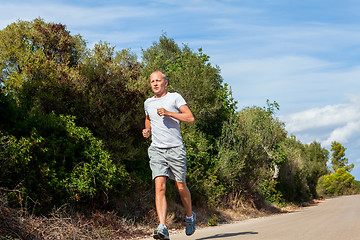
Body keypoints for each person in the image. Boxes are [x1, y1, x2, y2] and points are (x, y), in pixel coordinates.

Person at [142, 70, 196, 240]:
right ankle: (162, 227)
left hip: (175, 149)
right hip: (157, 149)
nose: (155, 84)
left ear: (165, 83)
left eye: (158, 81)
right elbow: (148, 118)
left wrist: (169, 113)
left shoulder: (174, 97)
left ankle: (189, 217)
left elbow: (190, 118)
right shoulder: (148, 102)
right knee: (159, 186)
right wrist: (147, 130)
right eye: (152, 81)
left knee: (180, 187)